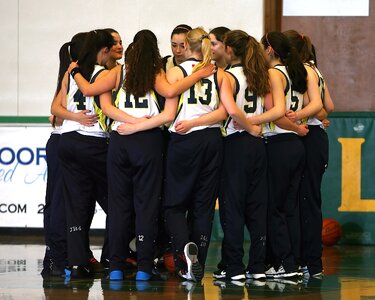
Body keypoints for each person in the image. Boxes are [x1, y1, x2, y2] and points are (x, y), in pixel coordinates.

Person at [67, 30, 216, 281]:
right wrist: (198, 75)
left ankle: (115, 266)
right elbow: (170, 100)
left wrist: (74, 71)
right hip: (148, 140)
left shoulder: (116, 72)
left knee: (119, 206)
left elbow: (100, 99)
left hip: (119, 140)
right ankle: (144, 268)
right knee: (146, 206)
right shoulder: (157, 73)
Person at [160, 27, 261, 282]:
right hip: (213, 140)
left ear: (185, 47)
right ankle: (199, 265)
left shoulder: (175, 71)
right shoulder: (219, 74)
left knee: (173, 205)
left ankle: (184, 255)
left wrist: (191, 124)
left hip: (184, 140)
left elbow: (170, 110)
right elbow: (225, 111)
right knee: (203, 208)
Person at [51, 29, 114, 278]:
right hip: (93, 142)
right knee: (117, 201)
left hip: (67, 140)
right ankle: (114, 256)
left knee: (76, 204)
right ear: (104, 50)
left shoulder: (71, 72)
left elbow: (55, 108)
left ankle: (78, 262)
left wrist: (74, 117)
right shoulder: (104, 74)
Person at [41, 32, 100, 277]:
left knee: (78, 204)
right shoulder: (73, 73)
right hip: (63, 140)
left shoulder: (82, 73)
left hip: (72, 140)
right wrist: (77, 117)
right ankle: (55, 258)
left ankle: (74, 253)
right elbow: (54, 113)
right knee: (59, 205)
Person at [214, 30, 271, 281]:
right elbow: (273, 109)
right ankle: (258, 265)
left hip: (236, 144)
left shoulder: (228, 76)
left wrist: (248, 125)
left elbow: (232, 110)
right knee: (257, 206)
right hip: (258, 145)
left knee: (232, 207)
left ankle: (233, 266)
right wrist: (256, 128)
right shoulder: (258, 74)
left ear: (229, 50)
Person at [283, 29, 334, 278]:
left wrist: (300, 115)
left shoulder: (302, 70)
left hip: (308, 136)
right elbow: (329, 106)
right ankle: (310, 262)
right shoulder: (316, 69)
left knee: (304, 202)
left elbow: (319, 107)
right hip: (317, 138)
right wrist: (319, 114)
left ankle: (309, 261)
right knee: (309, 200)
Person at [259, 31, 310, 278]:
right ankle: (295, 262)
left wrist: (297, 127)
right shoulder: (295, 71)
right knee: (289, 208)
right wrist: (299, 127)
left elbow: (276, 113)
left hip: (279, 142)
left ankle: (286, 264)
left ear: (269, 50)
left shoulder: (273, 73)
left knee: (274, 208)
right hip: (295, 146)